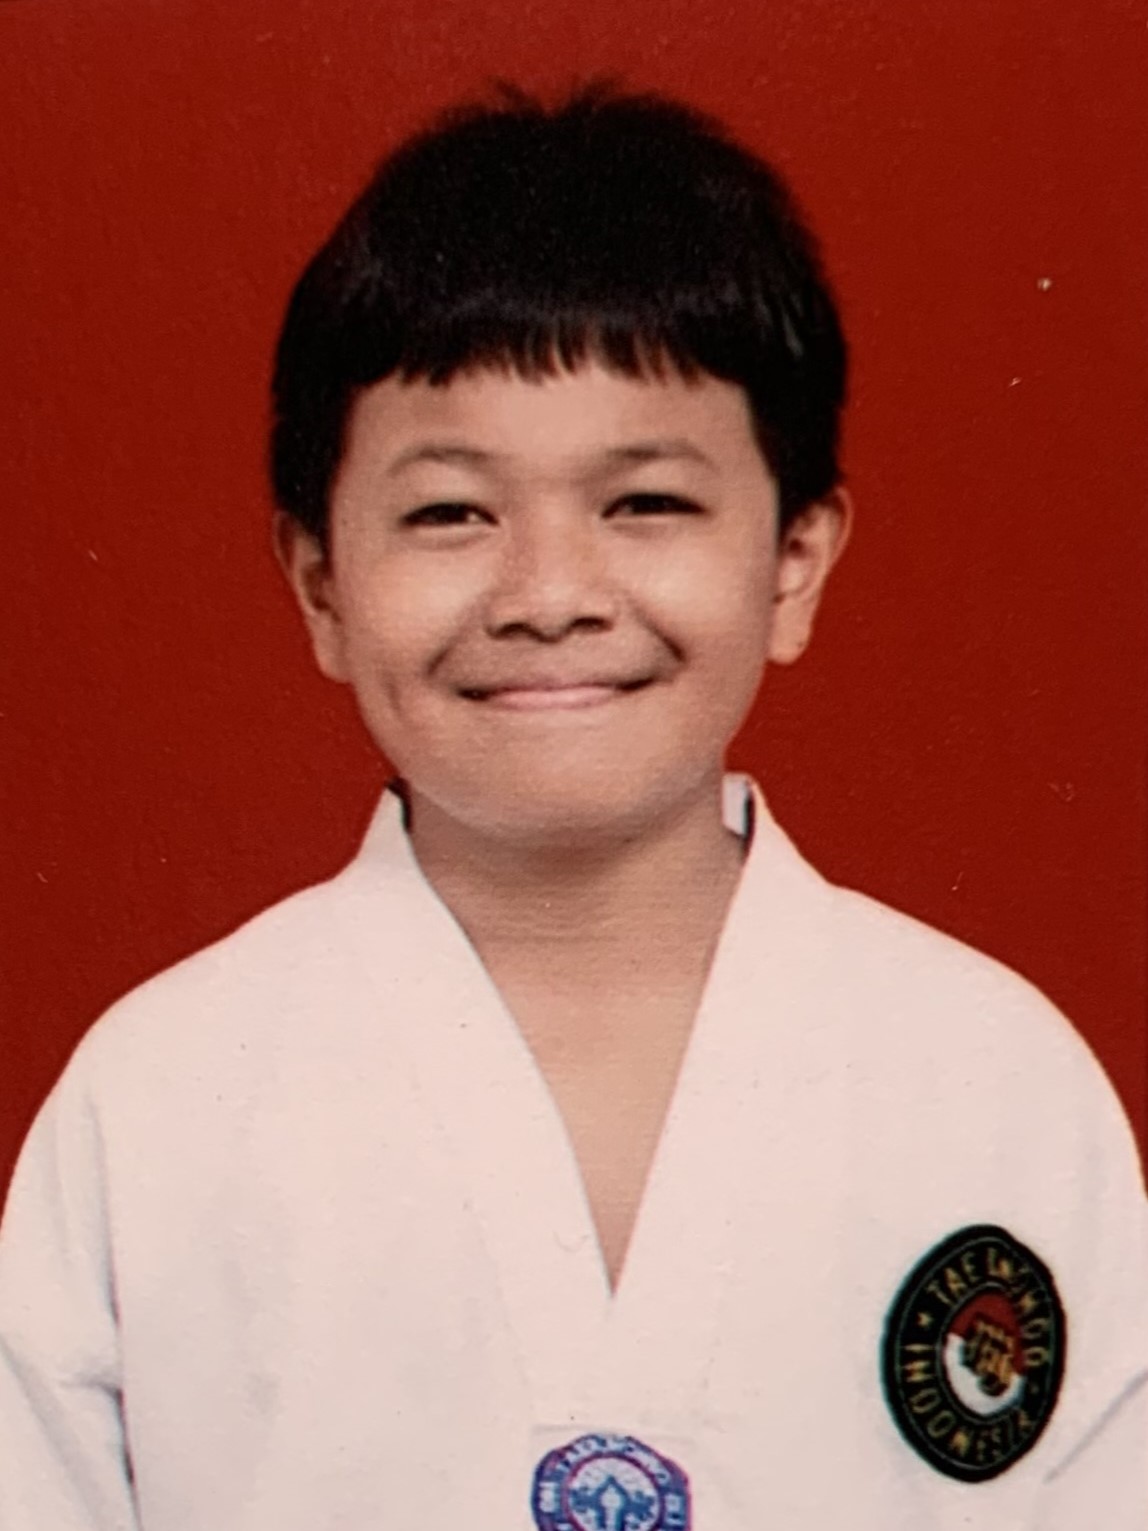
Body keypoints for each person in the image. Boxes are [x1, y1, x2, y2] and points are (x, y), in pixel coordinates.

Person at [0, 86, 1144, 1531]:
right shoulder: (158, 1099)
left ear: (794, 562)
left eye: (645, 503)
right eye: (449, 513)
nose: (549, 596)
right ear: (320, 584)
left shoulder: (993, 1079)